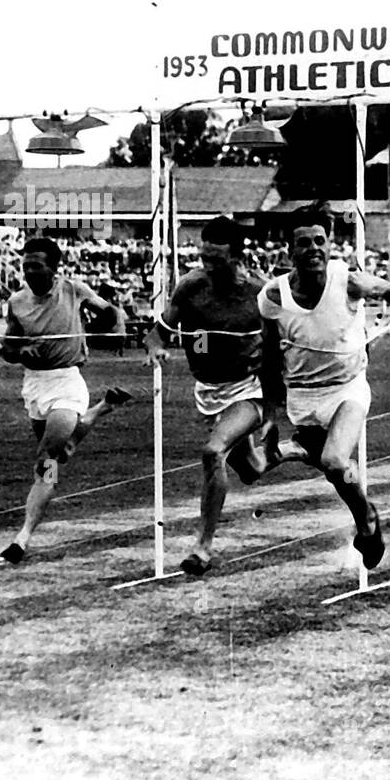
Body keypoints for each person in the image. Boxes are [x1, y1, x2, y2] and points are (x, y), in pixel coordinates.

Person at [258, 204, 390, 571]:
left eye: (320, 240)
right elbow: (270, 362)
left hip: (348, 388)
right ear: (289, 250)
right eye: (303, 242)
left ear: (330, 243)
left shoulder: (348, 281)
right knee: (327, 464)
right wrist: (269, 417)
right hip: (304, 396)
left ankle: (368, 520)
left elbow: (388, 289)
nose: (313, 249)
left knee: (335, 463)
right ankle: (303, 450)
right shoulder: (273, 297)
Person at [145, 217, 288, 576]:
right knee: (252, 469)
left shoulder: (261, 293)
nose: (207, 266)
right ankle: (297, 449)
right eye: (204, 257)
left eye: (216, 260)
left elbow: (284, 345)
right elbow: (156, 333)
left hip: (250, 389)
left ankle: (202, 548)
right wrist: (156, 348)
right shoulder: (190, 287)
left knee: (213, 453)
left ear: (237, 256)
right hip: (208, 392)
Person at [0, 237, 133, 564]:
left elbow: (111, 313)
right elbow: (7, 349)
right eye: (26, 265)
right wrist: (18, 351)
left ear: (53, 268)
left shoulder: (73, 289)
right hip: (34, 385)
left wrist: (111, 324)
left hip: (67, 382)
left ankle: (23, 536)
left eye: (36, 266)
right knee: (55, 462)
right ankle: (100, 411)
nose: (29, 272)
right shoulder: (16, 302)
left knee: (46, 459)